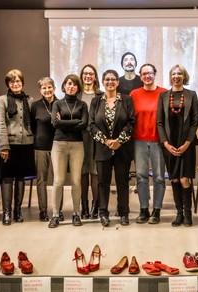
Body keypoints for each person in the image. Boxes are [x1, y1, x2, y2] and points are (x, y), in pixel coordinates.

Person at [89, 70, 135, 227]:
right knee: (103, 182)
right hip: (102, 149)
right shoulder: (96, 102)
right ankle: (103, 213)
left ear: (118, 82)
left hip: (122, 149)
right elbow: (92, 125)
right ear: (102, 82)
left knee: (122, 182)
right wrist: (107, 141)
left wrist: (118, 141)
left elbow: (131, 123)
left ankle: (123, 213)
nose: (110, 82)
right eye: (107, 79)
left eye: (113, 79)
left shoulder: (127, 100)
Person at [157, 64, 198, 227]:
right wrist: (165, 143)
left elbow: (195, 122)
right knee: (174, 179)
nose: (176, 76)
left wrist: (187, 142)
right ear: (170, 77)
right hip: (169, 144)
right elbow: (159, 122)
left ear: (184, 76)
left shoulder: (191, 95)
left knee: (184, 179)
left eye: (179, 73)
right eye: (173, 73)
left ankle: (188, 214)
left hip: (186, 144)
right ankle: (179, 213)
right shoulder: (163, 96)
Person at [0, 69, 36, 225]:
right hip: (9, 146)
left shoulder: (30, 100)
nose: (15, 84)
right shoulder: (2, 100)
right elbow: (0, 123)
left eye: (18, 81)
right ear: (8, 84)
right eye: (12, 81)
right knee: (7, 178)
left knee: (21, 178)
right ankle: (7, 212)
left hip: (27, 145)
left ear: (22, 83)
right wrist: (3, 146)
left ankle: (18, 211)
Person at [49, 74, 88, 228]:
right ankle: (55, 215)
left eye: (74, 84)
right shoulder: (57, 103)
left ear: (78, 88)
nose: (71, 86)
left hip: (77, 145)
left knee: (76, 181)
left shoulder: (82, 105)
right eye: (68, 84)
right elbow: (54, 123)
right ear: (64, 86)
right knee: (58, 181)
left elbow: (84, 125)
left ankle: (76, 214)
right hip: (59, 145)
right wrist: (75, 122)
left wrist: (63, 122)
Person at [130, 64, 167, 224]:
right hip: (138, 140)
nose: (147, 76)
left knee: (159, 177)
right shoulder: (134, 94)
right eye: (144, 74)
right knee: (141, 176)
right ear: (140, 76)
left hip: (158, 141)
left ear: (155, 74)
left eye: (150, 73)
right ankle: (144, 209)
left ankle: (156, 210)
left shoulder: (164, 93)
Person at [30, 77, 58, 222]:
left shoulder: (61, 104)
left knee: (58, 180)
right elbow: (32, 127)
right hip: (40, 147)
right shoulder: (35, 106)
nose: (47, 90)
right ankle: (43, 211)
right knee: (42, 180)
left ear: (54, 88)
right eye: (44, 88)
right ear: (40, 90)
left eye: (49, 87)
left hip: (58, 147)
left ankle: (57, 210)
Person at [79, 64, 102, 219]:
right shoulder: (76, 94)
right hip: (79, 138)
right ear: (81, 76)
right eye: (85, 73)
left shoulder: (101, 95)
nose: (88, 76)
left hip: (95, 138)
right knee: (82, 172)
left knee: (95, 172)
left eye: (91, 74)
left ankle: (96, 206)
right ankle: (84, 206)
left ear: (95, 77)